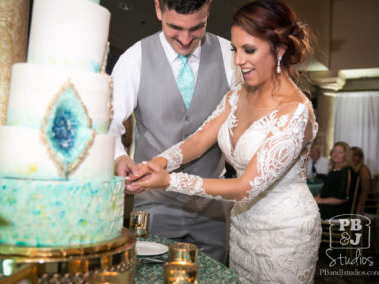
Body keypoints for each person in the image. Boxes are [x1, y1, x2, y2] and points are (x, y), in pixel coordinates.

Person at [127, 0, 321, 282]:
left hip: (285, 232)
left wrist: (168, 181)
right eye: (235, 49)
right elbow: (198, 141)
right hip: (243, 226)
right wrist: (156, 163)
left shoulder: (296, 110)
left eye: (249, 50)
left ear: (279, 50)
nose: (238, 60)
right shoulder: (238, 94)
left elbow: (244, 187)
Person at [110, 0, 241, 263]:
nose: (184, 39)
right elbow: (110, 123)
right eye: (175, 27)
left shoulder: (230, 54)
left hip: (212, 206)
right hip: (154, 204)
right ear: (158, 9)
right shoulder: (135, 57)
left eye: (196, 28)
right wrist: (118, 156)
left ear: (208, 11)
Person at [315, 141, 358, 219]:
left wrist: (320, 200)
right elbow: (325, 191)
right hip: (329, 205)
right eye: (334, 151)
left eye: (340, 152)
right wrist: (316, 198)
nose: (336, 154)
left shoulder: (347, 171)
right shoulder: (333, 171)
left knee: (309, 210)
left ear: (346, 155)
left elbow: (343, 198)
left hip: (341, 209)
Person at [351, 146, 372, 213]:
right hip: (352, 203)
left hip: (363, 205)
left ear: (360, 157)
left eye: (355, 155)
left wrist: (359, 208)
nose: (352, 158)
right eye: (350, 155)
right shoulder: (350, 169)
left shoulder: (363, 169)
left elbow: (366, 190)